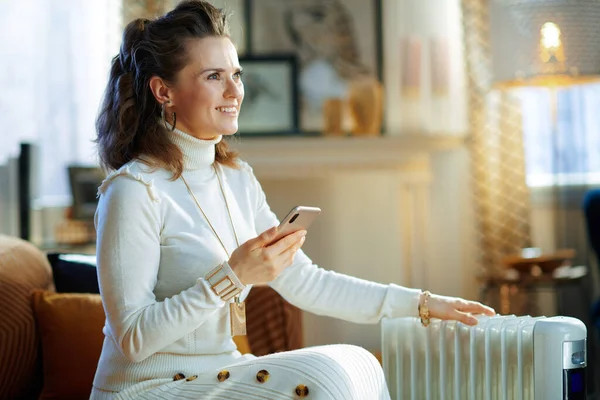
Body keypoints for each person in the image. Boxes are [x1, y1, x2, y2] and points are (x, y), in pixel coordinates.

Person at [90, 1, 495, 399]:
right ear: (164, 90)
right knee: (324, 380)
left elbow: (308, 282)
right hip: (145, 388)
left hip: (217, 372)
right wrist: (233, 276)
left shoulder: (235, 179)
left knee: (360, 362)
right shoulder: (133, 190)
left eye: (237, 74)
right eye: (214, 76)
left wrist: (424, 304)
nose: (235, 91)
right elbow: (133, 338)